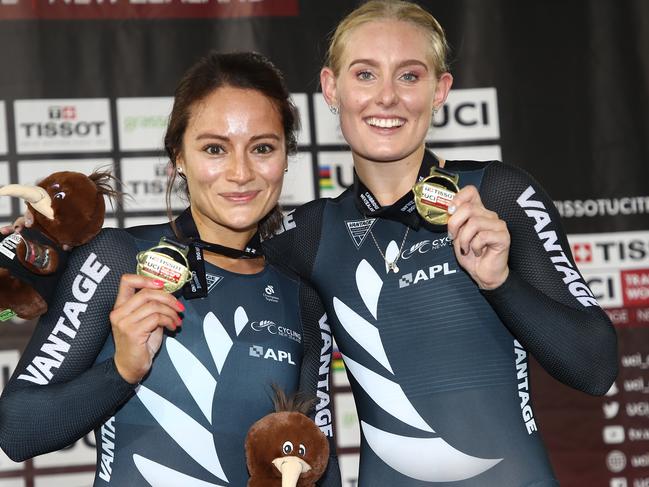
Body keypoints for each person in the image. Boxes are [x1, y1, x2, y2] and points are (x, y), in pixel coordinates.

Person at [262, 1, 618, 486]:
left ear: (439, 91)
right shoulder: (307, 235)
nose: (386, 98)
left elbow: (595, 369)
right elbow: (306, 417)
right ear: (331, 87)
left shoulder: (497, 194)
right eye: (365, 75)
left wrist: (500, 282)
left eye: (409, 76)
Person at [0, 51, 340, 486]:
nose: (240, 172)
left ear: (286, 157)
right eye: (214, 148)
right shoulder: (116, 257)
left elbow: (318, 467)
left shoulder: (301, 296)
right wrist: (123, 369)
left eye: (262, 148)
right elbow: (17, 430)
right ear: (178, 156)